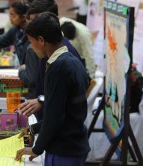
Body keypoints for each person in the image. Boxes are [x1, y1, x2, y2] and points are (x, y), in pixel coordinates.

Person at [15, 12, 90, 165]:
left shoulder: (58, 68)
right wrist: (33, 129)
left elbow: (55, 117)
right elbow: (61, 110)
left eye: (31, 42)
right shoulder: (71, 59)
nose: (32, 47)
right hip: (74, 145)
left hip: (64, 150)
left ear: (41, 40)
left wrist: (37, 149)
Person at [19, 0, 84, 120]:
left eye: (36, 20)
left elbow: (69, 96)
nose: (33, 26)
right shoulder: (46, 49)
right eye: (31, 21)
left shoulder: (65, 55)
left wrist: (42, 102)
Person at [0, 1, 38, 99]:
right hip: (24, 75)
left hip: (34, 77)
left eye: (13, 15)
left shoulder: (33, 33)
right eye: (10, 15)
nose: (10, 18)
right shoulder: (15, 31)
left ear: (23, 17)